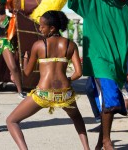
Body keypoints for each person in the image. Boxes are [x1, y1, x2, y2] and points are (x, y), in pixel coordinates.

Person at [6, 10, 90, 150]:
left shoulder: (39, 45)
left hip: (43, 94)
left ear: (52, 28)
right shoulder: (70, 45)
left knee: (11, 121)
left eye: (42, 26)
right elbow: (79, 72)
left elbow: (27, 73)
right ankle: (87, 148)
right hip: (65, 94)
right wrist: (67, 80)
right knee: (77, 118)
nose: (40, 29)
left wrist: (25, 59)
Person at [68, 0, 128, 150]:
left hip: (119, 65)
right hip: (99, 60)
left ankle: (99, 143)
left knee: (108, 103)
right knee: (111, 99)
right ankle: (107, 142)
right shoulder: (94, 3)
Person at [0, 2, 25, 99]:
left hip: (5, 42)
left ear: (4, 4)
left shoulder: (11, 16)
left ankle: (20, 91)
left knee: (13, 67)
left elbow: (17, 32)